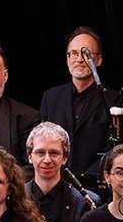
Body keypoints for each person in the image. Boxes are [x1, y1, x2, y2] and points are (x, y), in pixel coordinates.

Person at [38, 28, 115, 165]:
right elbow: (43, 141)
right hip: (57, 175)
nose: (79, 59)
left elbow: (113, 151)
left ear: (98, 60)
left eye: (86, 54)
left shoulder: (113, 100)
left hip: (96, 177)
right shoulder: (51, 97)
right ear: (67, 58)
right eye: (73, 53)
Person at [23, 122, 93, 222]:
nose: (47, 160)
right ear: (30, 156)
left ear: (65, 158)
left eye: (54, 153)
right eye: (40, 152)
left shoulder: (85, 203)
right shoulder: (14, 199)